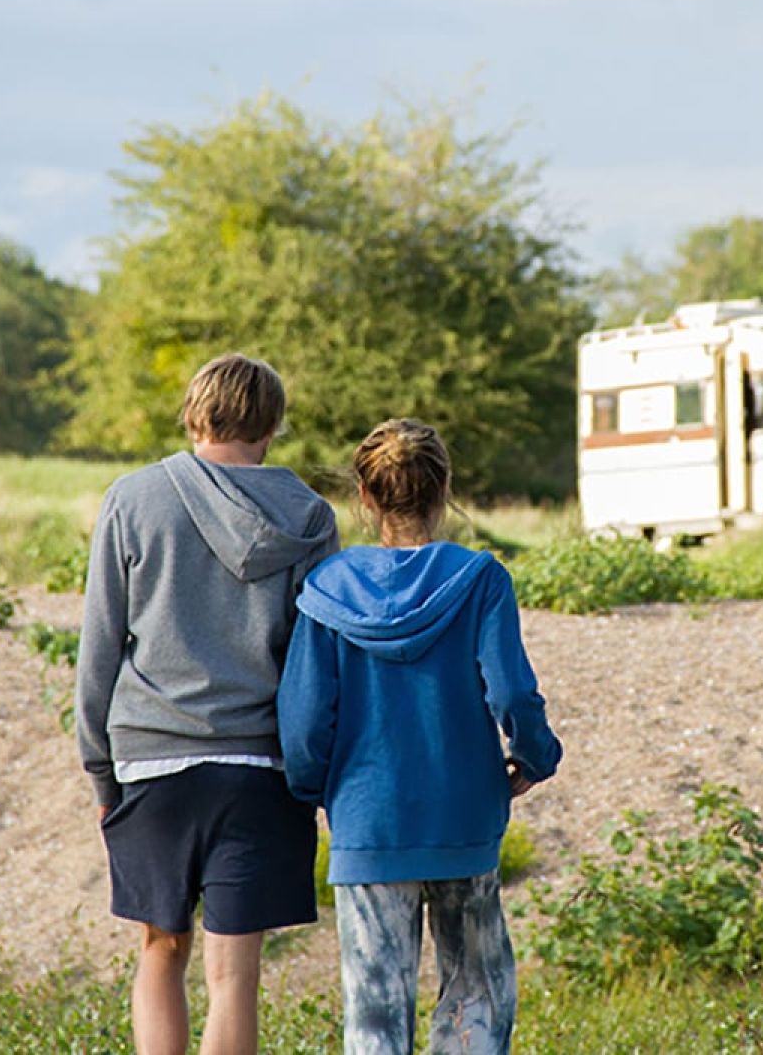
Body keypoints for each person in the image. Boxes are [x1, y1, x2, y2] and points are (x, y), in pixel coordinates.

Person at [76, 353, 339, 1055]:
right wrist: (312, 775)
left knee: (160, 950)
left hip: (151, 762)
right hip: (259, 769)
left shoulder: (132, 499)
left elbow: (100, 645)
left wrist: (100, 773)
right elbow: (314, 664)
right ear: (273, 424)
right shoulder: (311, 517)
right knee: (236, 976)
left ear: (194, 413)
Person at [278, 418, 563, 1055]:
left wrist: (316, 789)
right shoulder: (481, 579)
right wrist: (535, 757)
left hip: (367, 820)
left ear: (366, 495)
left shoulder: (327, 589)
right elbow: (512, 692)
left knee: (375, 1011)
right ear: (444, 490)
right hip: (463, 814)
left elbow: (301, 720)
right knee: (476, 996)